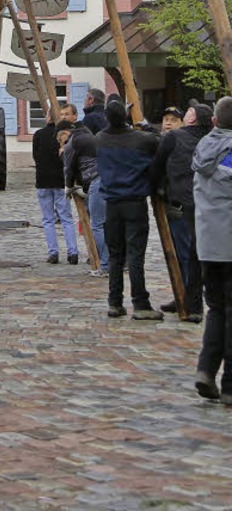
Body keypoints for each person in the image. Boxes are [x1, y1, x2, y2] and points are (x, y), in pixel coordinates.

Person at [95, 96, 162, 320]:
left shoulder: (100, 139)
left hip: (112, 204)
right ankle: (140, 304)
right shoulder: (142, 140)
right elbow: (159, 140)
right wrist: (142, 122)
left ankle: (115, 302)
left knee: (115, 256)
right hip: (134, 202)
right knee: (135, 256)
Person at [150, 100, 213, 321]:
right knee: (196, 254)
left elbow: (157, 165)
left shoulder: (175, 138)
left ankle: (189, 300)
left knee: (185, 254)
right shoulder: (210, 138)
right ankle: (186, 295)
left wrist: (154, 190)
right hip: (208, 204)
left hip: (182, 203)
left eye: (188, 112)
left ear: (193, 118)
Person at [192, 95, 232, 405]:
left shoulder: (204, 146)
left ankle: (206, 369)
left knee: (217, 309)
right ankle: (230, 382)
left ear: (214, 121)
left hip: (208, 243)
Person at [58, 118, 109, 275]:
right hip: (108, 178)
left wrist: (68, 187)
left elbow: (69, 168)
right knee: (105, 224)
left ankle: (106, 265)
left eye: (60, 140)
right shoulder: (87, 135)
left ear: (65, 133)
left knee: (97, 225)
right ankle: (109, 262)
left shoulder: (72, 142)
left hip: (97, 181)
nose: (62, 144)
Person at [32, 112, 79, 265]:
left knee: (48, 219)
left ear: (47, 118)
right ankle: (72, 252)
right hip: (60, 180)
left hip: (43, 180)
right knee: (66, 219)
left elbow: (36, 156)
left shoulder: (39, 134)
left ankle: (53, 252)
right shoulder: (65, 135)